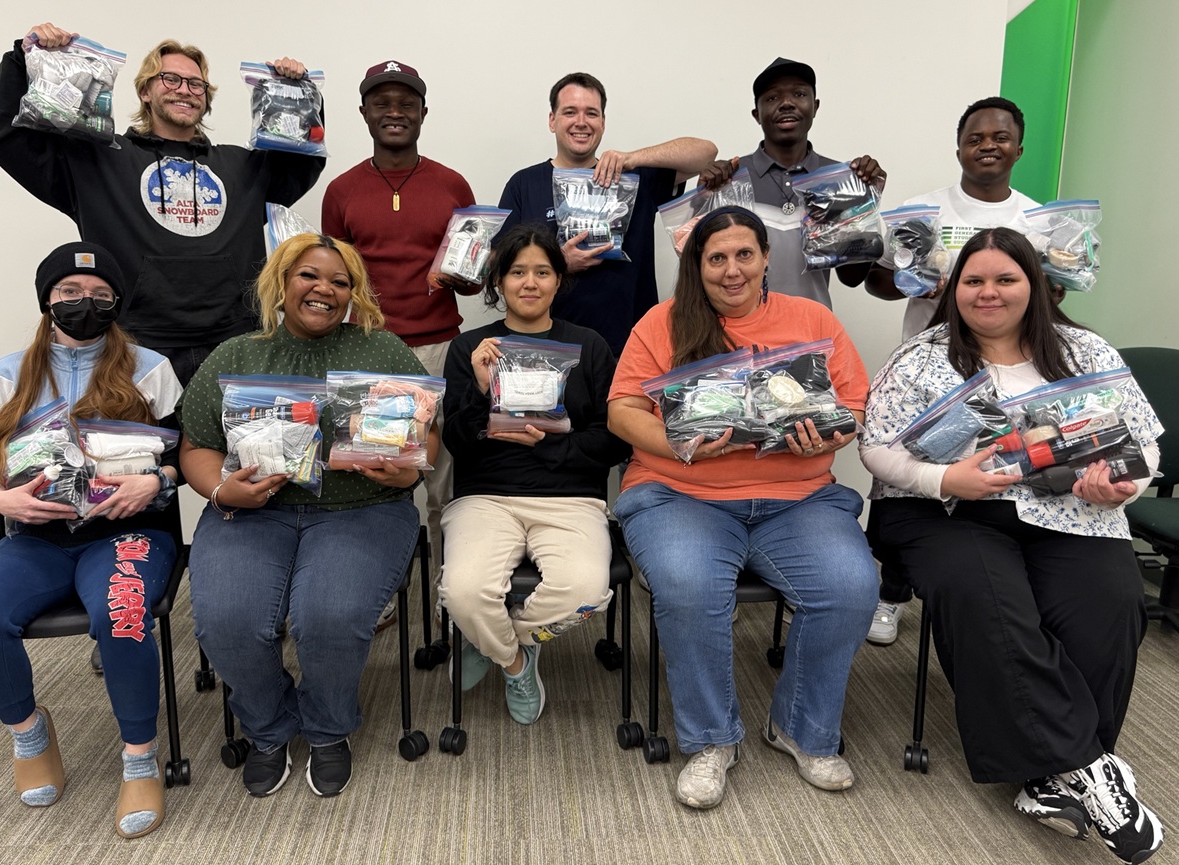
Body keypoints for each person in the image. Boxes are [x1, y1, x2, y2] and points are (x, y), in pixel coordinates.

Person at [859, 227, 1164, 863]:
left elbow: (1143, 444)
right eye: (974, 280)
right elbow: (876, 447)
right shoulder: (922, 356)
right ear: (953, 288)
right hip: (943, 511)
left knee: (1111, 598)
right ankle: (1088, 766)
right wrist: (946, 477)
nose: (988, 292)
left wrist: (1123, 488)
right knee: (986, 592)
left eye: (1006, 279)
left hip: (1070, 511)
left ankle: (1053, 780)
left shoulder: (1085, 351)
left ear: (1035, 285)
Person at [607, 206, 877, 809]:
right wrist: (682, 444)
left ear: (766, 259)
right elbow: (622, 412)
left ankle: (801, 730)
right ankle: (711, 742)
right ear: (697, 266)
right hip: (680, 493)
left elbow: (855, 405)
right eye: (717, 258)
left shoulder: (813, 319)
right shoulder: (661, 324)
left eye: (744, 255)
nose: (732, 270)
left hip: (798, 498)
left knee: (852, 586)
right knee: (686, 586)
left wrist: (833, 433)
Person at [178, 233, 430, 799]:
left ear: (354, 293)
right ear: (281, 283)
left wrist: (409, 470)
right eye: (309, 276)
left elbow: (425, 433)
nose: (324, 289)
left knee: (330, 617)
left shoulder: (382, 351)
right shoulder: (236, 356)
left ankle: (326, 729)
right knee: (228, 621)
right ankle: (268, 728)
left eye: (340, 282)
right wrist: (222, 490)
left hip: (361, 508)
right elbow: (195, 445)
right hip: (251, 512)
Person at [0, 242, 183, 838]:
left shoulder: (149, 368)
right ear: (46, 302)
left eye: (101, 295)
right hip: (37, 538)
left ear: (117, 303)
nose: (86, 303)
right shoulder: (7, 373)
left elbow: (185, 456)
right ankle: (28, 733)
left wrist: (155, 480)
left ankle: (139, 756)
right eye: (70, 294)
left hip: (126, 532)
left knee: (123, 611)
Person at [0, 22, 326, 385]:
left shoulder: (243, 166)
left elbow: (304, 159)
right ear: (145, 90)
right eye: (171, 79)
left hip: (233, 342)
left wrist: (298, 89)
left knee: (234, 444)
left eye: (197, 84)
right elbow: (6, 137)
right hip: (135, 347)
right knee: (138, 445)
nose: (186, 91)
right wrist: (22, 59)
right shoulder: (98, 162)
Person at [862, 97, 1041, 646]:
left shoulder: (1036, 219)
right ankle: (891, 593)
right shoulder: (923, 211)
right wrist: (917, 281)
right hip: (928, 369)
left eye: (1000, 137)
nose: (988, 145)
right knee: (906, 474)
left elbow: (1051, 295)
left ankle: (991, 581)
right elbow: (876, 280)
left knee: (993, 470)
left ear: (1018, 147)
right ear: (959, 146)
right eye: (976, 137)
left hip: (1006, 369)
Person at [438, 226, 631, 724]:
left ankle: (497, 640)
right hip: (486, 497)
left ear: (559, 279)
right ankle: (517, 661)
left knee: (587, 593)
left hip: (571, 499)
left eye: (542, 272)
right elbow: (457, 444)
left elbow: (613, 441)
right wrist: (481, 391)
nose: (530, 282)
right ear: (497, 281)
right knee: (462, 591)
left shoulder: (589, 346)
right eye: (517, 272)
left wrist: (551, 445)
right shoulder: (471, 348)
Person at [321, 59, 476, 630]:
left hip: (438, 349)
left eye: (405, 103)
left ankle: (448, 593)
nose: (394, 112)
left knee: (442, 481)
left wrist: (464, 277)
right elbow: (331, 278)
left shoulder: (452, 183)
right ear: (363, 113)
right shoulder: (341, 190)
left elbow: (475, 267)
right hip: (368, 354)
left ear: (423, 113)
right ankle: (379, 591)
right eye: (381, 103)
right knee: (378, 480)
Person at [497, 71, 717, 356]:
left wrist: (632, 158)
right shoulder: (524, 184)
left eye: (591, 113)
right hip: (549, 348)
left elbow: (706, 153)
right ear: (552, 121)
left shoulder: (632, 177)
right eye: (570, 112)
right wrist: (557, 263)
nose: (581, 122)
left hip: (630, 345)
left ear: (602, 122)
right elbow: (498, 265)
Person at [698, 57, 886, 309]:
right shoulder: (729, 180)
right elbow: (699, 270)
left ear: (815, 106)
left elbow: (851, 278)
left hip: (811, 334)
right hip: (735, 338)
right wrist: (703, 197)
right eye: (772, 98)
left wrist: (862, 206)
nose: (787, 103)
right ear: (757, 114)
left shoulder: (838, 180)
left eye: (799, 94)